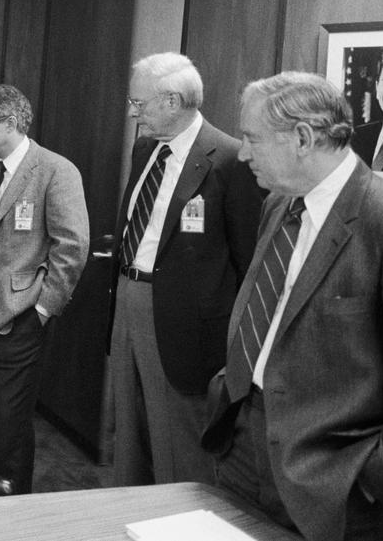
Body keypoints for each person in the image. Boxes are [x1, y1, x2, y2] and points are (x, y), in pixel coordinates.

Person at [202, 71, 383, 541]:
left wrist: (372, 481)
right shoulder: (278, 205)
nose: (243, 153)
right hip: (240, 445)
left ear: (302, 138)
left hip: (332, 483)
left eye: (252, 139)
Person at [108, 53, 262, 486]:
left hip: (184, 322)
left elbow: (248, 262)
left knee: (177, 441)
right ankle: (129, 509)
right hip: (128, 298)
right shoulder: (145, 149)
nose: (133, 113)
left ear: (172, 101)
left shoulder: (230, 160)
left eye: (139, 103)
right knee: (129, 429)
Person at [0, 84, 89, 493]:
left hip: (21, 311)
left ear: (10, 123)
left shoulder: (55, 170)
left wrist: (42, 310)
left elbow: (72, 247)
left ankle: (14, 503)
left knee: (10, 417)